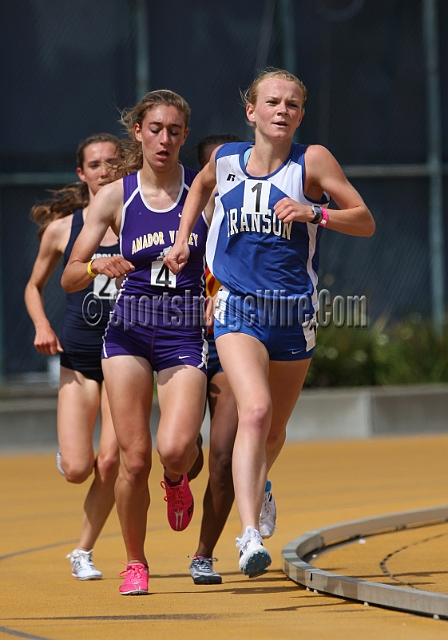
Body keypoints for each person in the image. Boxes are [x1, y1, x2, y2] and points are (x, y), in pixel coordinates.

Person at [165, 68, 375, 579]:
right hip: (238, 306)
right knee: (253, 411)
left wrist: (314, 214)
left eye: (293, 104)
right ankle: (248, 536)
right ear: (251, 111)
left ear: (301, 114)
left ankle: (261, 487)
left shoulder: (313, 161)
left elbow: (364, 220)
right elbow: (199, 190)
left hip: (293, 313)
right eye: (273, 102)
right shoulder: (226, 160)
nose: (283, 110)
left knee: (274, 430)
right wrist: (182, 236)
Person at [61, 89, 209, 596]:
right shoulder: (113, 197)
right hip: (127, 333)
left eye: (173, 131)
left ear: (184, 136)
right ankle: (134, 562)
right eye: (155, 129)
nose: (164, 139)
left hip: (184, 332)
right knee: (134, 458)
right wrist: (97, 264)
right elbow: (70, 275)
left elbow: (232, 257)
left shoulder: (203, 193)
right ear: (138, 134)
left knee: (175, 449)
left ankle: (178, 480)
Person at [24, 133, 122, 580]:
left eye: (112, 163)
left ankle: (83, 550)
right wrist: (43, 325)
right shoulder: (62, 230)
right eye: (95, 164)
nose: (104, 171)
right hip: (79, 361)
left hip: (126, 359)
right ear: (81, 174)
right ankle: (69, 452)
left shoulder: (140, 221)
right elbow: (33, 286)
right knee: (79, 469)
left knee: (113, 460)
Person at [188, 134, 276, 586]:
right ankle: (177, 472)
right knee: (183, 451)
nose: (233, 181)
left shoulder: (250, 219)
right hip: (181, 346)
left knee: (224, 452)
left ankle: (205, 554)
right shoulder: (185, 218)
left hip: (230, 340)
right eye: (221, 175)